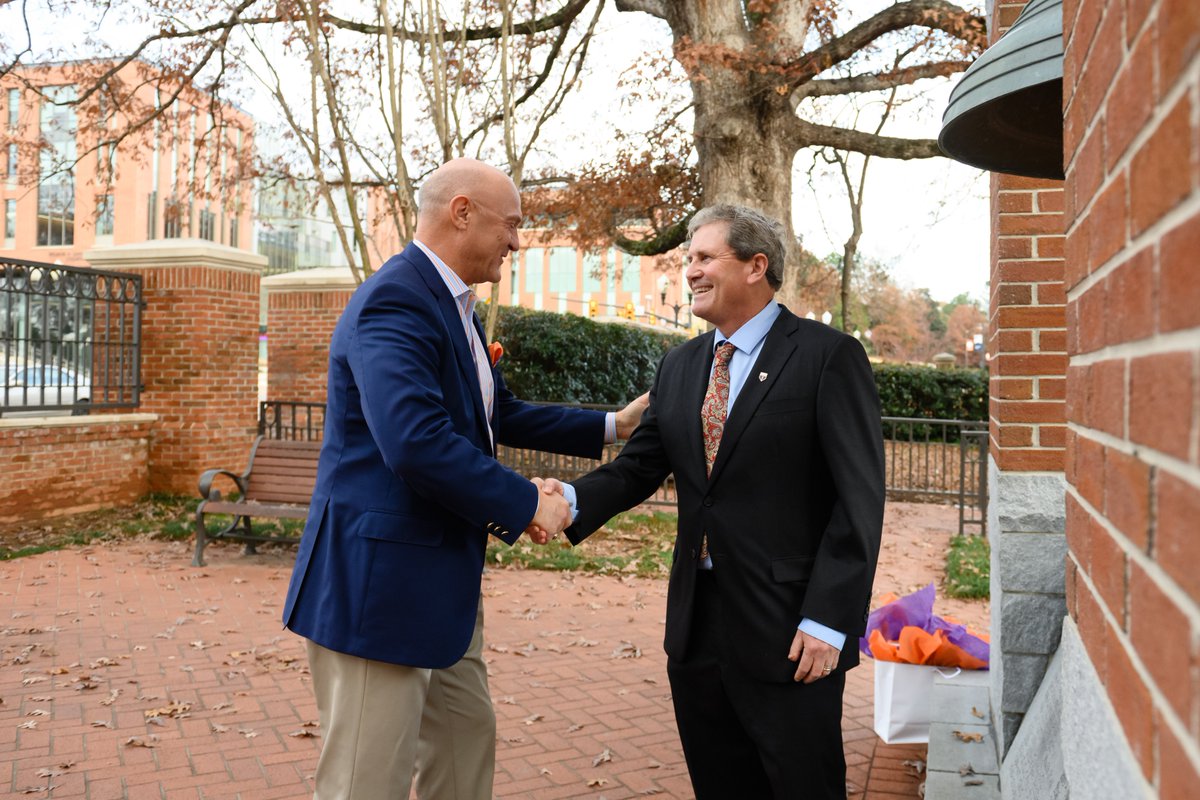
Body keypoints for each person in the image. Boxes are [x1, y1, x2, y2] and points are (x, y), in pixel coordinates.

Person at [281, 158, 647, 800]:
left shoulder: (455, 308)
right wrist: (528, 502)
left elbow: (494, 413)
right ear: (461, 212)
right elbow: (415, 444)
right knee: (367, 781)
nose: (517, 240)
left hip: (440, 583)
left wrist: (613, 425)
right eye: (510, 224)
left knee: (464, 744)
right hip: (380, 587)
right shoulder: (396, 301)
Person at [553, 204, 885, 799]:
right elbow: (637, 469)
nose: (690, 271)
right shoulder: (680, 366)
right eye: (688, 259)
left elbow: (858, 502)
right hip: (696, 628)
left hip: (791, 630)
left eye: (705, 257)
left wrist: (829, 621)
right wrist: (566, 503)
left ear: (757, 266)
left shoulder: (826, 357)